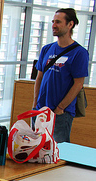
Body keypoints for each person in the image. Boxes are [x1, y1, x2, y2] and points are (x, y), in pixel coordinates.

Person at [33, 8, 89, 143]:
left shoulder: (79, 53)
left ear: (70, 24)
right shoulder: (47, 49)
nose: (54, 25)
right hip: (40, 110)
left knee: (59, 151)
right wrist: (35, 104)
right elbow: (39, 77)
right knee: (36, 148)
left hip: (60, 114)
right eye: (53, 21)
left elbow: (78, 84)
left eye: (58, 22)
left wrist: (60, 108)